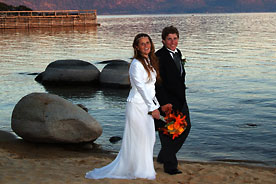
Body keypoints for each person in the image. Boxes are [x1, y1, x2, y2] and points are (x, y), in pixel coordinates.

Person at [85, 33, 161, 180]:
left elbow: (150, 88)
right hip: (137, 106)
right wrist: (153, 108)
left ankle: (144, 168)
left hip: (147, 105)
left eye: (148, 43)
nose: (146, 46)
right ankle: (138, 171)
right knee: (140, 138)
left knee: (149, 137)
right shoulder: (136, 64)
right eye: (142, 44)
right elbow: (140, 87)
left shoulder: (149, 62)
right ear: (137, 47)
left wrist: (157, 105)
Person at [154, 26, 191, 175]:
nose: (173, 42)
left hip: (181, 99)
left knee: (185, 127)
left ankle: (165, 156)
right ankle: (170, 165)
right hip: (168, 101)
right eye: (169, 39)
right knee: (171, 132)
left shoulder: (178, 53)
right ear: (163, 40)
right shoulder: (159, 57)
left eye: (175, 38)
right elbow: (157, 83)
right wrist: (163, 103)